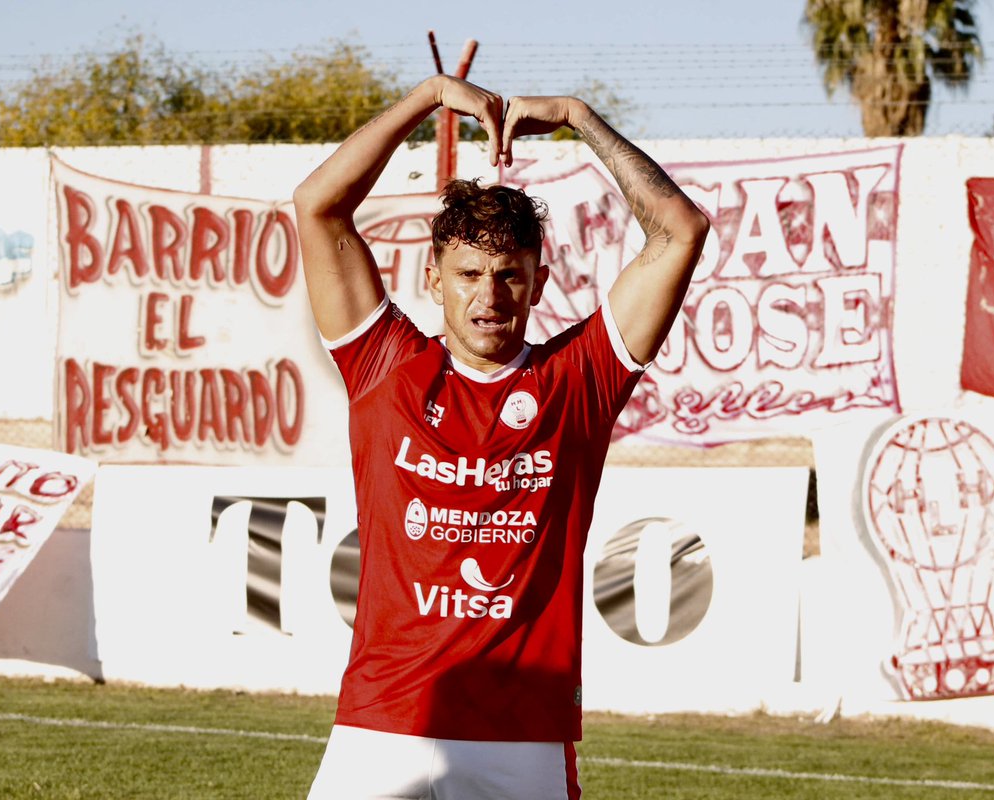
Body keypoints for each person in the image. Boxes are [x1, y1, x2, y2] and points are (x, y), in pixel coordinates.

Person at [293, 74, 709, 800]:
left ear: (540, 280)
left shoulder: (579, 381)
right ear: (434, 278)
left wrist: (581, 118)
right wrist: (425, 99)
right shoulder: (384, 366)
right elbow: (317, 206)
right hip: (382, 723)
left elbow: (681, 230)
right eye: (470, 274)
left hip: (523, 737)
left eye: (510, 276)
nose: (489, 296)